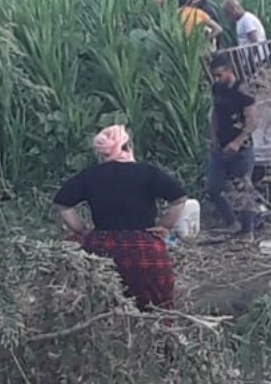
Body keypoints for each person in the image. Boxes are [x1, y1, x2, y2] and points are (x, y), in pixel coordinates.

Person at [52, 125, 188, 310]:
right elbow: (179, 198)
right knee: (157, 308)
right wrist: (164, 226)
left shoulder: (90, 175)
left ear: (101, 154)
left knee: (103, 307)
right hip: (145, 249)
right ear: (129, 147)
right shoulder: (147, 172)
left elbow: (63, 204)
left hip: (101, 250)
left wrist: (82, 231)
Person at [206, 54, 257, 235]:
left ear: (229, 71)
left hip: (241, 148)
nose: (217, 79)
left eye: (220, 75)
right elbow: (215, 114)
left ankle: (248, 231)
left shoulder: (244, 90)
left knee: (243, 188)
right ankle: (231, 221)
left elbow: (251, 122)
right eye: (215, 76)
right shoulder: (216, 89)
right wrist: (213, 137)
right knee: (213, 188)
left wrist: (237, 142)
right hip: (221, 145)